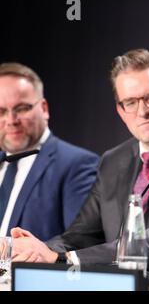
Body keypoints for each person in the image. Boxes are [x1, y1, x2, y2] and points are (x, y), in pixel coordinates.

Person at [10, 49, 149, 273]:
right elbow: (81, 234)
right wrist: (36, 250)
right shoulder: (113, 160)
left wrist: (64, 258)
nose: (143, 111)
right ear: (120, 110)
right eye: (130, 102)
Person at [0, 62, 98, 241]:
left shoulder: (77, 165)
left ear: (44, 108)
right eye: (1, 112)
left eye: (21, 108)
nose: (11, 120)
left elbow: (80, 243)